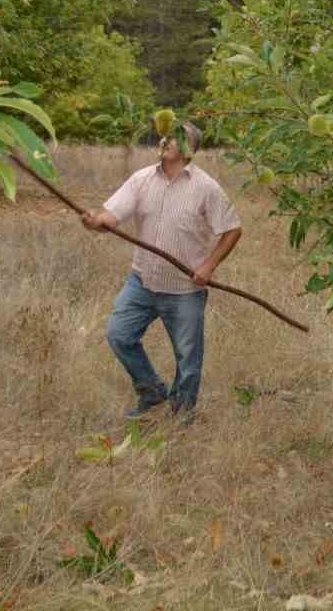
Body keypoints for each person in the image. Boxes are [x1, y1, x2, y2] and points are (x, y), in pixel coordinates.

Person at [80, 121, 243, 422]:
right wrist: (96, 220)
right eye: (167, 134)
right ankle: (152, 391)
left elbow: (233, 229)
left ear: (190, 150)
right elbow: (111, 216)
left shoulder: (206, 187)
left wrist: (208, 265)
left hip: (184, 289)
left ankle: (182, 414)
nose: (167, 139)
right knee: (119, 335)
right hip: (142, 281)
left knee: (188, 359)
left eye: (177, 136)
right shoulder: (141, 179)